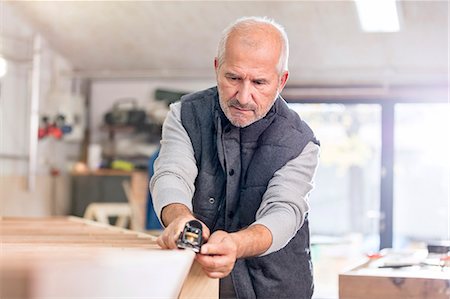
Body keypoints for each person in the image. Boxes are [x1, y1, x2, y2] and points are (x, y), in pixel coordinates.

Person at [150, 16, 320, 299]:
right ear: (217, 67)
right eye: (233, 78)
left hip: (277, 288)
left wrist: (237, 245)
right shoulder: (184, 115)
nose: (243, 96)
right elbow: (171, 173)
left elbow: (284, 211)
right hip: (198, 281)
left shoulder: (300, 141)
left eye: (260, 83)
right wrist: (178, 218)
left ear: (282, 80)